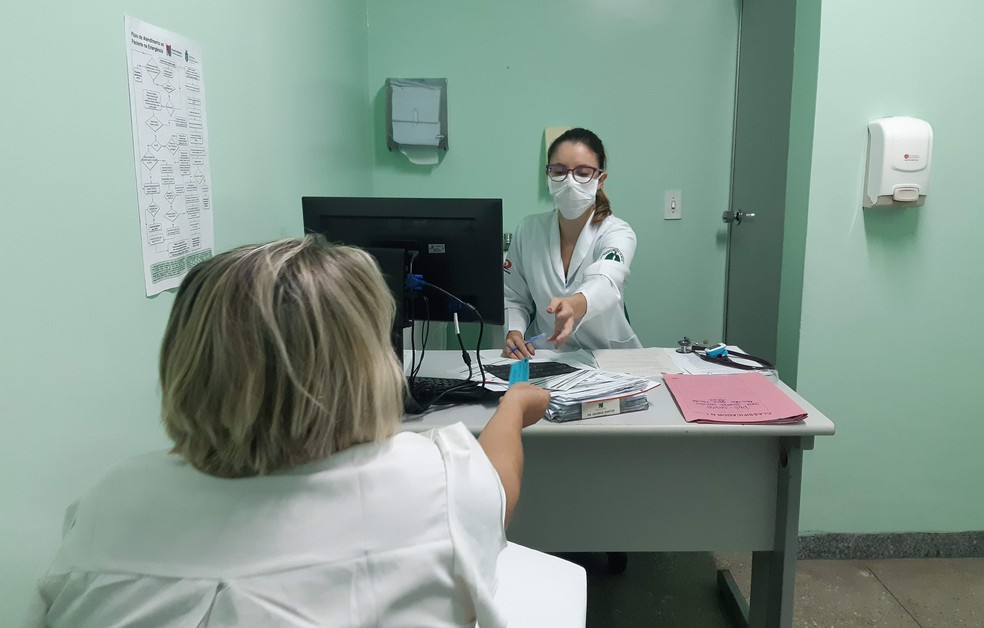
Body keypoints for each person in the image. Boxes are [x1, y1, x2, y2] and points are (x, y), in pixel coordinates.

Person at [28, 235, 550, 627]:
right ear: (363, 363)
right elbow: (496, 488)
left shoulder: (108, 501)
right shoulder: (433, 482)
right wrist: (512, 407)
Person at [503, 127, 642, 357]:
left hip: (608, 356)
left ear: (600, 180)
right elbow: (513, 296)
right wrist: (514, 331)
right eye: (559, 171)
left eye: (583, 173)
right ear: (548, 174)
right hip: (546, 355)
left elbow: (606, 282)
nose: (570, 182)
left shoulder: (617, 232)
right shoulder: (529, 230)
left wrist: (573, 305)